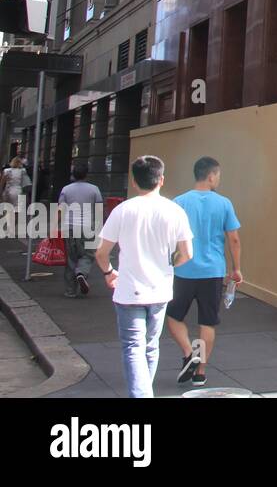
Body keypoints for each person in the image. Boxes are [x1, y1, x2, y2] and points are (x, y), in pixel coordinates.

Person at [94, 156, 193, 398]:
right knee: (151, 346)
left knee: (132, 347)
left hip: (129, 289)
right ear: (161, 180)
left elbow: (101, 253)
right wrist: (171, 264)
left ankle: (141, 395)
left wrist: (109, 273)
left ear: (134, 182)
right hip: (160, 288)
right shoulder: (175, 211)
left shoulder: (123, 210)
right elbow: (187, 253)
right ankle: (144, 392)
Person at [167, 155, 242, 386]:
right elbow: (234, 239)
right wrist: (236, 269)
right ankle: (200, 371)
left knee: (173, 316)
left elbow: (170, 237)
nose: (218, 179)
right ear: (211, 176)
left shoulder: (179, 202)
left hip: (184, 270)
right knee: (207, 322)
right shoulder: (224, 203)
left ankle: (189, 352)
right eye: (218, 175)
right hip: (213, 272)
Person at [57, 166, 103, 299]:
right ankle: (81, 272)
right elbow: (99, 209)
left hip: (69, 227)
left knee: (71, 259)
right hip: (88, 227)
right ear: (86, 175)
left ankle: (70, 291)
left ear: (73, 175)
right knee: (88, 255)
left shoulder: (66, 189)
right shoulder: (94, 189)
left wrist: (55, 226)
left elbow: (60, 209)